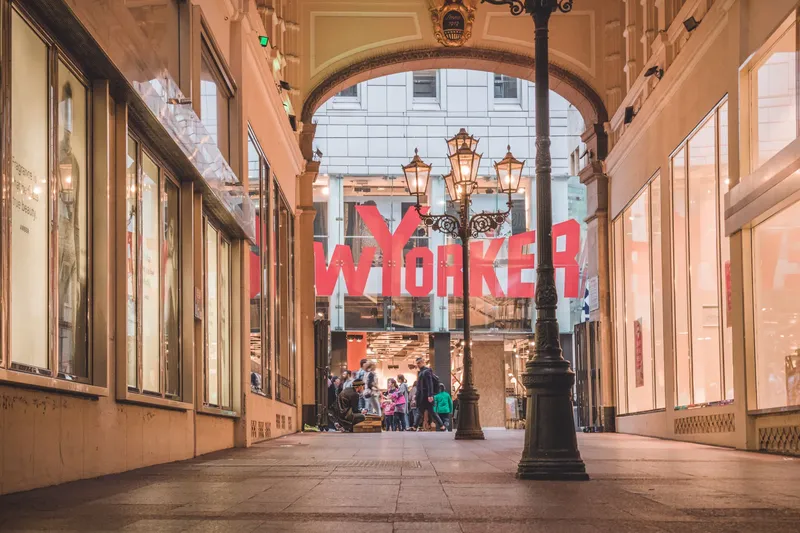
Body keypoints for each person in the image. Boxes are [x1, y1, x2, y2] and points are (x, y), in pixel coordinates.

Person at [414, 357, 445, 431]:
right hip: (424, 396)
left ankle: (442, 426)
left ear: (423, 362)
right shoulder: (422, 372)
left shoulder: (426, 371)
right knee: (423, 411)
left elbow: (430, 384)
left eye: (419, 363)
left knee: (427, 412)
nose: (418, 365)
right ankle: (414, 427)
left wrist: (430, 395)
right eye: (417, 363)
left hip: (426, 396)